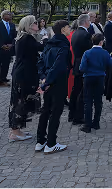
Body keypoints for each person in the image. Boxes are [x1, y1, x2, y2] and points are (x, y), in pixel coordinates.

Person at [36, 19, 72, 154]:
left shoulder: (49, 44)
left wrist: (43, 77)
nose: (70, 29)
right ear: (63, 30)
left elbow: (40, 62)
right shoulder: (63, 45)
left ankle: (40, 141)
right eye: (68, 27)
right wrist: (47, 82)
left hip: (48, 80)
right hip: (57, 82)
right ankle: (51, 143)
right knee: (55, 112)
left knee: (45, 110)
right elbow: (58, 66)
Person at [8, 15, 44, 142]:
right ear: (29, 25)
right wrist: (46, 39)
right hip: (24, 74)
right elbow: (40, 48)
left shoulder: (24, 37)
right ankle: (15, 132)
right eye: (35, 23)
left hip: (23, 72)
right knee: (20, 102)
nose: (37, 24)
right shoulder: (27, 38)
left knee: (20, 100)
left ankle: (17, 130)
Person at [79, 33, 112, 133]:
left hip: (88, 77)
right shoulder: (105, 53)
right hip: (100, 77)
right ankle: (96, 122)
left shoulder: (87, 53)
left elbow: (82, 68)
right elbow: (111, 64)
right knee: (98, 101)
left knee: (88, 101)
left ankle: (87, 124)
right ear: (101, 42)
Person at [69, 14, 92, 125]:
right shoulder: (86, 34)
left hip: (77, 63)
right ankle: (78, 116)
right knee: (82, 92)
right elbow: (89, 51)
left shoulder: (75, 33)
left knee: (75, 90)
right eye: (89, 20)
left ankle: (72, 114)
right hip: (84, 65)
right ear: (85, 22)